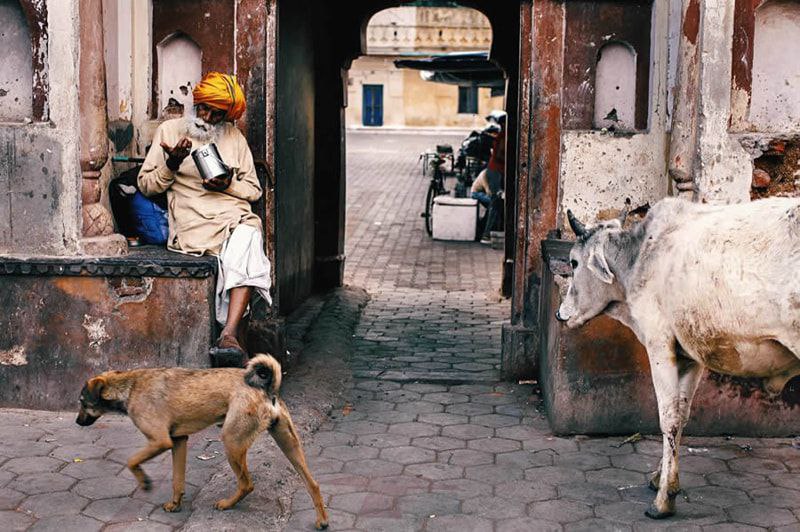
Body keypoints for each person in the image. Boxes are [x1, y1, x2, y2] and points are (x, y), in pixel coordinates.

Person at [138, 72, 270, 361]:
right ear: (196, 103)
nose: (206, 116)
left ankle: (229, 334)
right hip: (192, 221)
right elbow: (146, 185)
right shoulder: (171, 131)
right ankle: (232, 336)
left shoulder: (234, 137)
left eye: (216, 113)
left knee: (250, 234)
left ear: (226, 116)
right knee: (245, 247)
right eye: (203, 108)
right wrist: (171, 165)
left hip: (233, 217)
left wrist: (228, 184)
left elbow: (254, 190)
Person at [474, 113, 506, 244]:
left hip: (497, 170)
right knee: (495, 202)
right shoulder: (503, 136)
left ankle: (482, 230)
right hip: (496, 171)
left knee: (496, 203)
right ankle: (485, 235)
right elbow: (499, 155)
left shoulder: (502, 135)